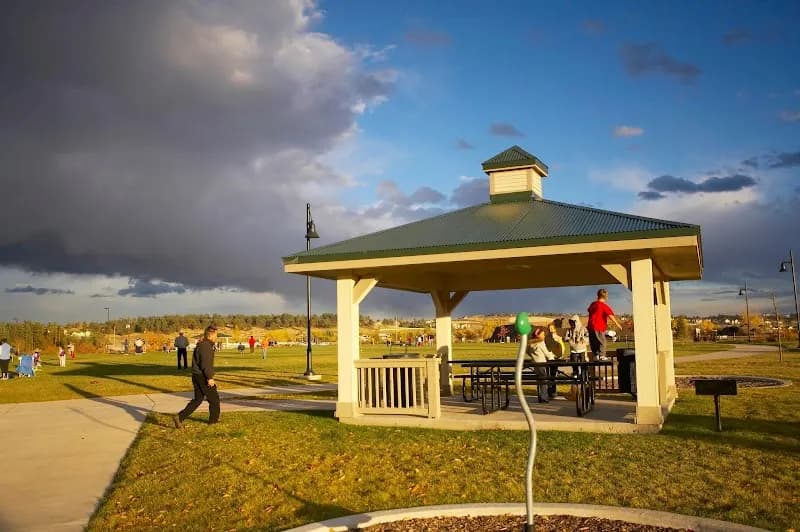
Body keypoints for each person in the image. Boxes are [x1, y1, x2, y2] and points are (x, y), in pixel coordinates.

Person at [174, 324, 220, 427]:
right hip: (202, 376)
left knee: (198, 399)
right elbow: (205, 364)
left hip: (196, 375)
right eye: (216, 335)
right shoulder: (206, 346)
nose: (217, 337)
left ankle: (179, 417)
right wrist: (209, 378)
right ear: (211, 335)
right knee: (214, 399)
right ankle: (213, 421)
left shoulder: (202, 344)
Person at [587, 289, 622, 361]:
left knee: (594, 341)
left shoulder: (593, 304)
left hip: (590, 326)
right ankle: (602, 355)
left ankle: (596, 355)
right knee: (602, 341)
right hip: (598, 326)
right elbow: (610, 315)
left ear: (598, 295)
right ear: (606, 297)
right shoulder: (603, 306)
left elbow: (589, 310)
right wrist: (617, 323)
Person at [526, 327, 556, 403]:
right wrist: (552, 357)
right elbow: (546, 353)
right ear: (539, 335)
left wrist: (533, 356)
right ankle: (544, 397)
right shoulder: (541, 343)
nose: (544, 336)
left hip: (535, 363)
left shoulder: (531, 343)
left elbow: (528, 352)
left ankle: (540, 396)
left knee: (539, 380)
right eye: (543, 335)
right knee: (544, 381)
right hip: (541, 363)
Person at [544, 322, 565, 396]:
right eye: (549, 329)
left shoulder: (558, 337)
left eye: (552, 328)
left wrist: (560, 355)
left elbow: (561, 348)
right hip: (547, 358)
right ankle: (549, 391)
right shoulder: (546, 337)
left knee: (553, 375)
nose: (550, 330)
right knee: (547, 375)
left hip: (555, 358)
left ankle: (553, 391)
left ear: (555, 329)